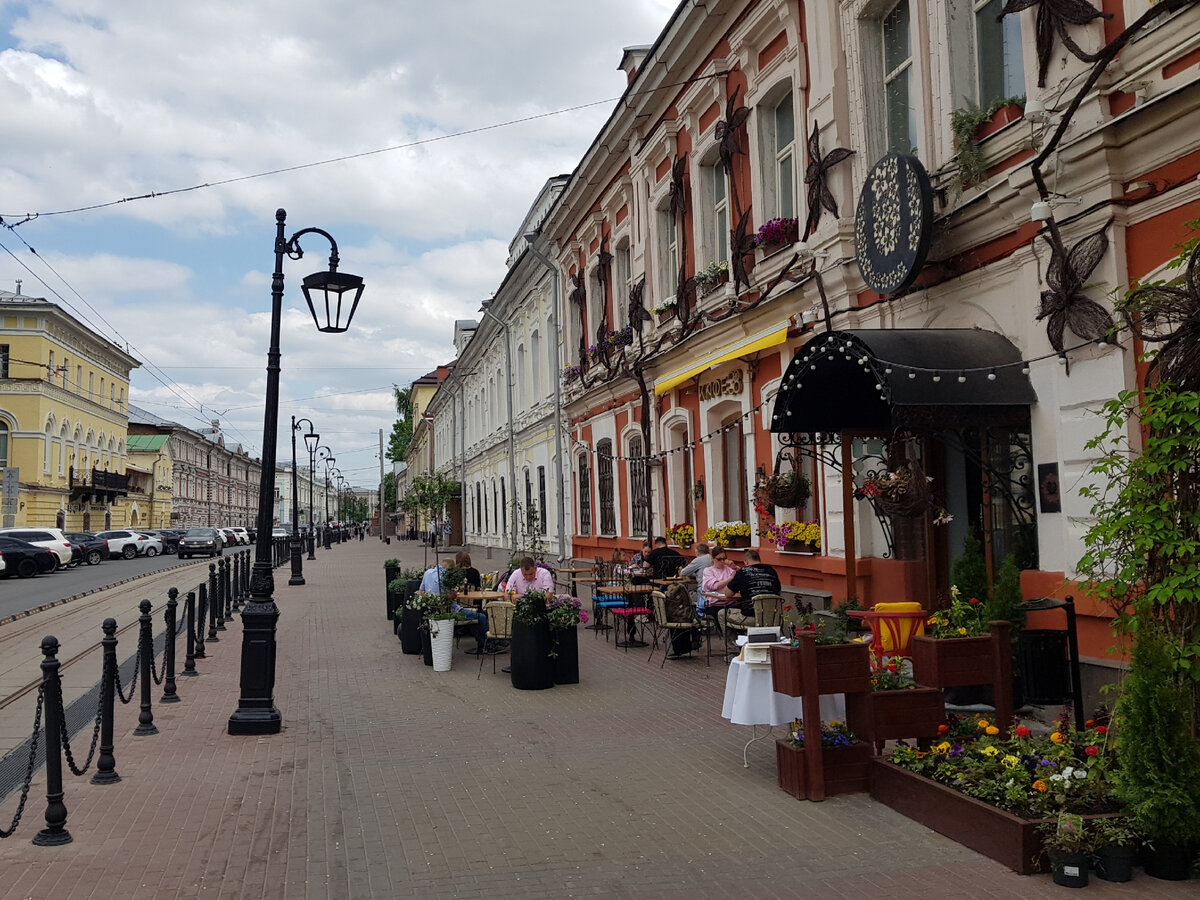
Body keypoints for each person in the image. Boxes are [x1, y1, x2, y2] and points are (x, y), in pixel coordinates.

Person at [419, 558, 492, 654]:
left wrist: (432, 598)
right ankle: (489, 645)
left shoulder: (428, 573)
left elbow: (421, 592)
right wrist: (452, 594)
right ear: (451, 568)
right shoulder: (447, 576)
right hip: (451, 611)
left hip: (433, 611)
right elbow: (451, 596)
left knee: (474, 619)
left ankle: (482, 644)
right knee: (481, 617)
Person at [723, 548, 781, 625]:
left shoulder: (742, 572)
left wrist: (733, 577)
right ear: (759, 560)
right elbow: (778, 592)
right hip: (772, 617)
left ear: (746, 562)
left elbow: (728, 594)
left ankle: (737, 637)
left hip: (751, 616)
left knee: (721, 614)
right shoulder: (771, 571)